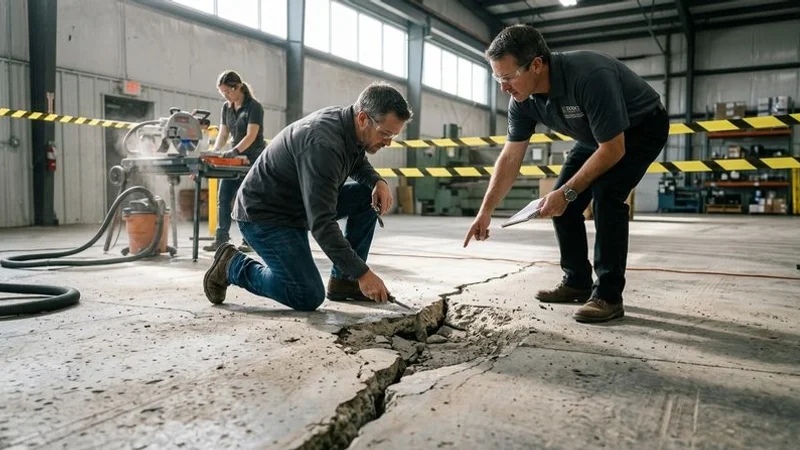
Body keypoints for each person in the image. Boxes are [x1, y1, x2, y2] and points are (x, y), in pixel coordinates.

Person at [464, 25, 669, 323]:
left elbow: (613, 149)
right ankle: (577, 282)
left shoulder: (588, 76)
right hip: (594, 137)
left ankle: (608, 296)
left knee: (606, 197)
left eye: (507, 77)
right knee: (558, 203)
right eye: (498, 78)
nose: (503, 88)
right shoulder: (522, 100)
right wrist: (486, 211)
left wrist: (569, 193)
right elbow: (510, 158)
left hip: (641, 127)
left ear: (536, 65)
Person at [202, 82, 413, 311]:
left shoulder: (347, 125)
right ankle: (232, 265)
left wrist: (376, 181)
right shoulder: (322, 143)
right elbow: (322, 223)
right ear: (363, 118)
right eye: (385, 134)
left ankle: (344, 281)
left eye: (393, 136)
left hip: (296, 203)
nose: (388, 142)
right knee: (306, 294)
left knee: (365, 195)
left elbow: (356, 158)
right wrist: (363, 273)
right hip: (265, 215)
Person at [203, 70, 267, 253]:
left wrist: (234, 151)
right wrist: (215, 152)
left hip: (252, 159)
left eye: (228, 92)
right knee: (223, 197)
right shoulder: (226, 107)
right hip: (234, 159)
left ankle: (249, 240)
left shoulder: (254, 107)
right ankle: (221, 239)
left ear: (238, 87)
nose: (226, 96)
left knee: (247, 200)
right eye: (223, 93)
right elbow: (223, 133)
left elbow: (251, 135)